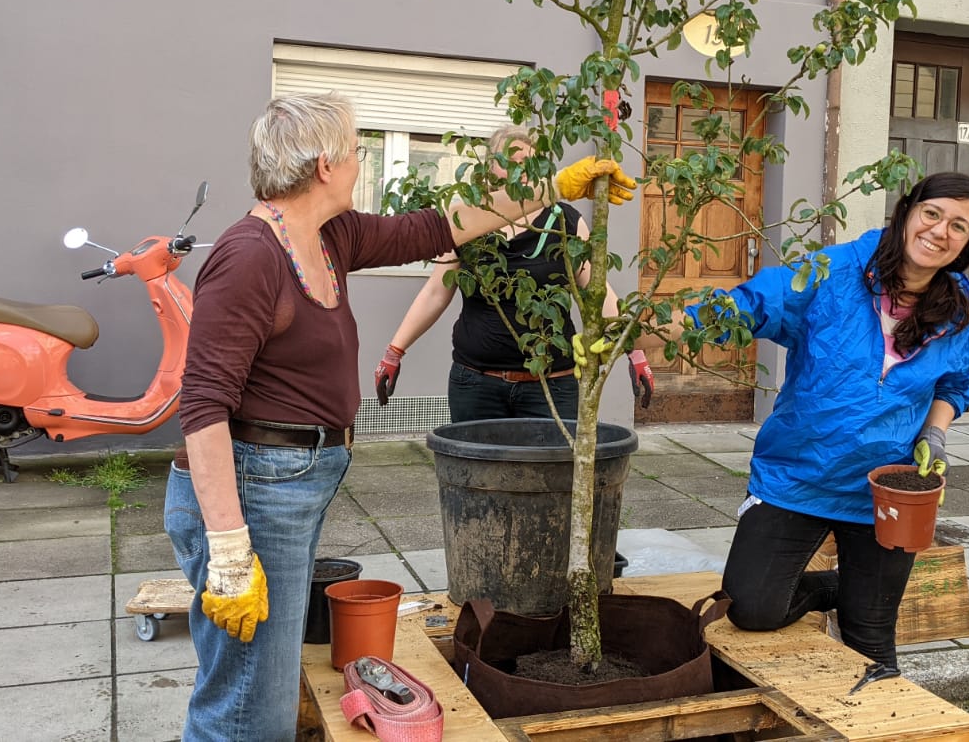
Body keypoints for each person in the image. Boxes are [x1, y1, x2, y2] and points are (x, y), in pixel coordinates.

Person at [164, 93, 635, 742]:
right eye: (357, 150)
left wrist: (550, 188)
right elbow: (202, 404)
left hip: (287, 486)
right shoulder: (252, 256)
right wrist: (228, 552)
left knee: (264, 696)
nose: (362, 163)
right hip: (249, 493)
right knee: (247, 708)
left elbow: (438, 228)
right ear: (325, 165)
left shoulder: (331, 235)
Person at [690, 171, 969, 687]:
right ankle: (840, 585)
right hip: (799, 474)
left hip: (886, 488)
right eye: (933, 214)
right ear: (906, 214)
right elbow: (752, 304)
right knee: (752, 608)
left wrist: (934, 434)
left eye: (959, 226)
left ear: (968, 244)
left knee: (871, 643)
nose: (941, 231)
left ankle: (871, 654)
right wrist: (646, 333)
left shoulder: (963, 314)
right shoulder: (833, 272)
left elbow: (955, 384)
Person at [374, 125, 653, 421]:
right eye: (509, 162)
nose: (520, 170)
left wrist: (634, 351)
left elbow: (597, 291)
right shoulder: (469, 221)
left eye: (528, 162)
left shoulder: (565, 222)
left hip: (551, 385)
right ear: (490, 167)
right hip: (476, 384)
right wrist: (394, 352)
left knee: (551, 466)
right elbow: (435, 292)